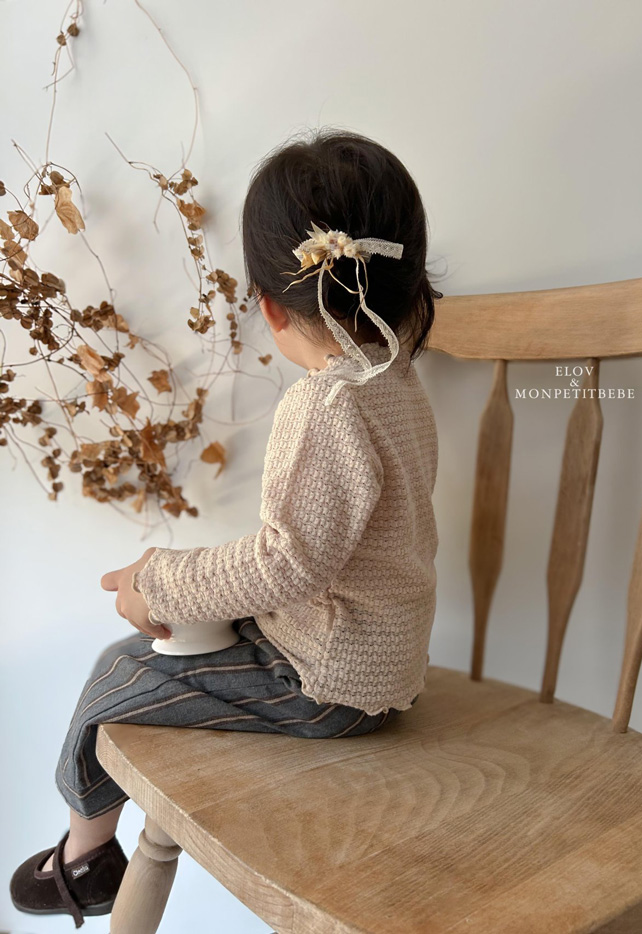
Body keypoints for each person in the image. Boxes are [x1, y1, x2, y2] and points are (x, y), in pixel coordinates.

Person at [9, 127, 442, 928]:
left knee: (115, 678)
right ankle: (91, 848)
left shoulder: (325, 405)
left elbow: (288, 564)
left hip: (327, 684)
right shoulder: (398, 383)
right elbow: (316, 557)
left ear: (269, 306)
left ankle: (85, 857)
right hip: (376, 652)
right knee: (177, 633)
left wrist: (159, 580)